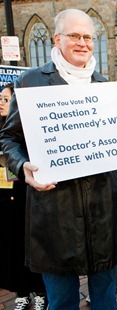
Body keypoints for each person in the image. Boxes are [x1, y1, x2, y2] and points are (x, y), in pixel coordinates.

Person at [0, 9, 117, 310]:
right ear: (57, 39)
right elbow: (8, 140)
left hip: (103, 209)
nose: (82, 43)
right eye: (74, 36)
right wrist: (22, 166)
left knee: (105, 298)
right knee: (62, 301)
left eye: (88, 37)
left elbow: (116, 139)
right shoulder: (31, 83)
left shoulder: (104, 85)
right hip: (55, 212)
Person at [0, 83, 48, 310]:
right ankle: (22, 291)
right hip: (4, 199)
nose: (1, 103)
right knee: (13, 245)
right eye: (0, 98)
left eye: (6, 99)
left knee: (32, 244)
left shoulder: (26, 132)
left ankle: (40, 291)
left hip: (24, 194)